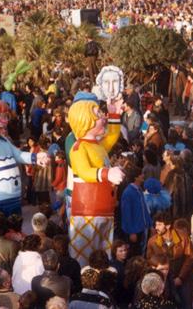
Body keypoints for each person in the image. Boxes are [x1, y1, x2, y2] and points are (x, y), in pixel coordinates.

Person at [67, 92, 124, 267]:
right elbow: (84, 172)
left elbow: (113, 137)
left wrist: (114, 115)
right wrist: (107, 174)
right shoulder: (78, 148)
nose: (102, 117)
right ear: (86, 120)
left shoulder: (97, 145)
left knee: (102, 254)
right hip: (87, 211)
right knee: (83, 255)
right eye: (98, 115)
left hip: (103, 209)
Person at [0, 98, 47, 216]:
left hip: (14, 198)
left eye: (5, 116)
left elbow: (18, 155)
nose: (3, 120)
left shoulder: (4, 140)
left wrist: (35, 158)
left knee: (15, 226)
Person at [146, 212, 193, 309]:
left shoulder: (183, 238)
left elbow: (190, 257)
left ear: (168, 226)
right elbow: (149, 261)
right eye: (156, 224)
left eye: (159, 224)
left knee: (186, 304)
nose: (156, 227)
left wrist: (181, 277)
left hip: (182, 277)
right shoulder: (152, 241)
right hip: (163, 279)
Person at [120, 165, 152, 256]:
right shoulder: (128, 193)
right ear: (136, 177)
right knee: (135, 254)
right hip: (135, 231)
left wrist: (150, 225)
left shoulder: (139, 190)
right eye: (141, 174)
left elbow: (144, 209)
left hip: (142, 229)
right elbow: (126, 214)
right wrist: (131, 232)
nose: (143, 176)